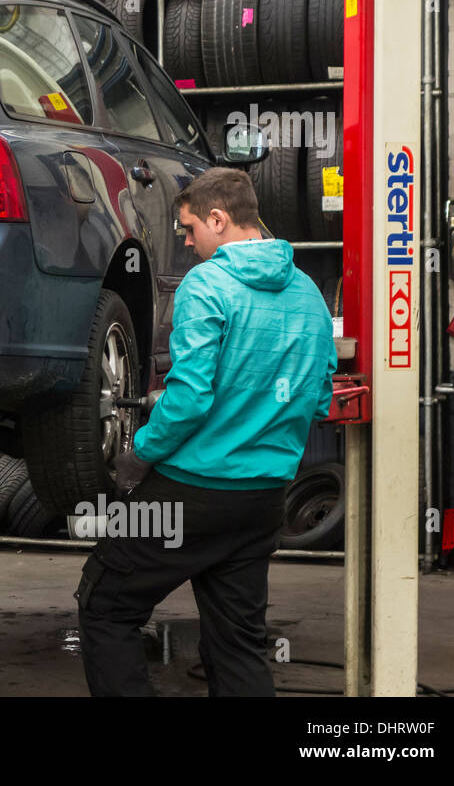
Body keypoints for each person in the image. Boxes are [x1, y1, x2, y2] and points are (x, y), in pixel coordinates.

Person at [75, 166, 337, 696]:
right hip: (264, 500)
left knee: (104, 605)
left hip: (191, 494)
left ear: (219, 218)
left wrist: (140, 453)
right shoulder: (308, 292)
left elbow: (191, 398)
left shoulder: (208, 283)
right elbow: (319, 396)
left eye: (190, 228)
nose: (189, 242)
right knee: (237, 644)